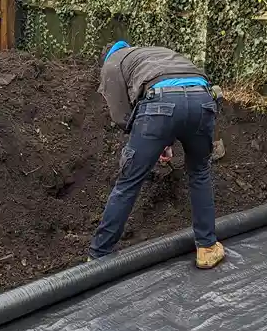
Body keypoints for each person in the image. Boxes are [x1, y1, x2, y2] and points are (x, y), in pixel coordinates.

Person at [89, 40, 225, 269]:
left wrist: (150, 139)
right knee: (200, 172)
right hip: (203, 99)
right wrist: (165, 140)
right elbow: (182, 93)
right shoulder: (154, 53)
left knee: (128, 182)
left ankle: (98, 255)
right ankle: (207, 247)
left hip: (160, 104)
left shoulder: (112, 62)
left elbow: (122, 116)